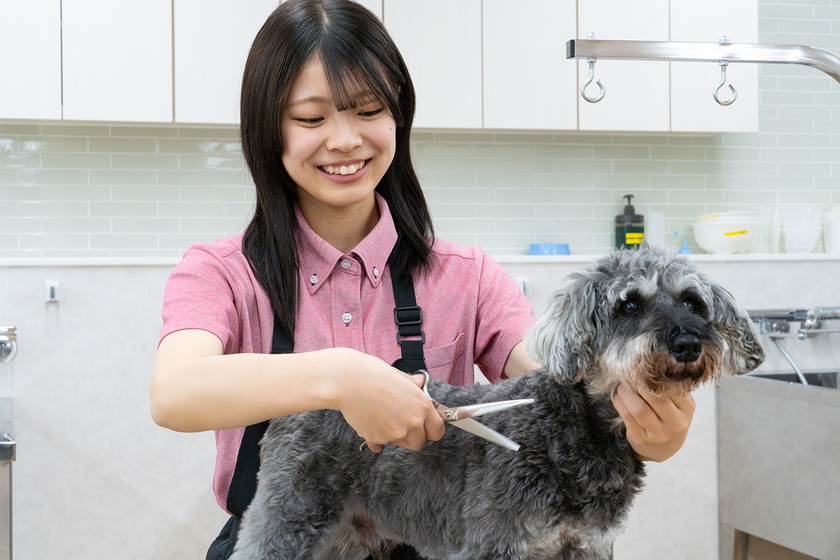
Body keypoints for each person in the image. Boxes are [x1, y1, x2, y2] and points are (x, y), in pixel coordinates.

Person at [150, 1, 696, 558]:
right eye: (311, 118)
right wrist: (338, 378)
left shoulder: (469, 277)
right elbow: (173, 394)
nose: (344, 140)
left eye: (368, 110)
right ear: (269, 128)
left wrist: (652, 428)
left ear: (398, 116)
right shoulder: (222, 272)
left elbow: (559, 377)